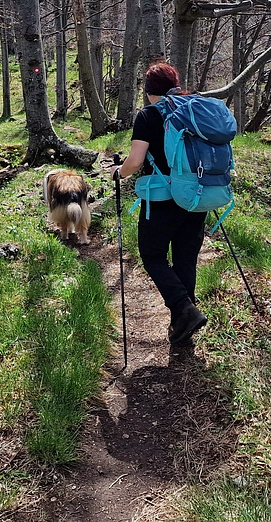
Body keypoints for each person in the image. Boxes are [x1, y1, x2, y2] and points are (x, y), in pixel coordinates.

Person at [109, 62, 208, 346]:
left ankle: (185, 310)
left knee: (153, 256)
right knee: (185, 259)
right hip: (198, 195)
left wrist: (119, 173)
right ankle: (183, 321)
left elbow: (136, 161)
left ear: (149, 90)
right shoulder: (194, 108)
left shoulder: (149, 114)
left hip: (164, 198)